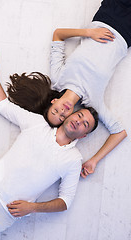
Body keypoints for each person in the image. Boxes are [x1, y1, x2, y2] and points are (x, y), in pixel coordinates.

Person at [0, 46, 98, 240]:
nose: (79, 121)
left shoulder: (73, 159)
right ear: (70, 114)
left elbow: (65, 201)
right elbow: (1, 104)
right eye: (79, 115)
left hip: (6, 211)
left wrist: (33, 207)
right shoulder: (37, 123)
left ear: (83, 136)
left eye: (85, 124)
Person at [47, 0, 129, 178]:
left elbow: (58, 35)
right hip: (126, 33)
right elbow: (119, 132)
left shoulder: (58, 79)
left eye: (56, 110)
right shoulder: (92, 103)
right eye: (62, 117)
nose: (62, 111)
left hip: (106, 16)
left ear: (54, 101)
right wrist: (94, 160)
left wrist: (89, 33)